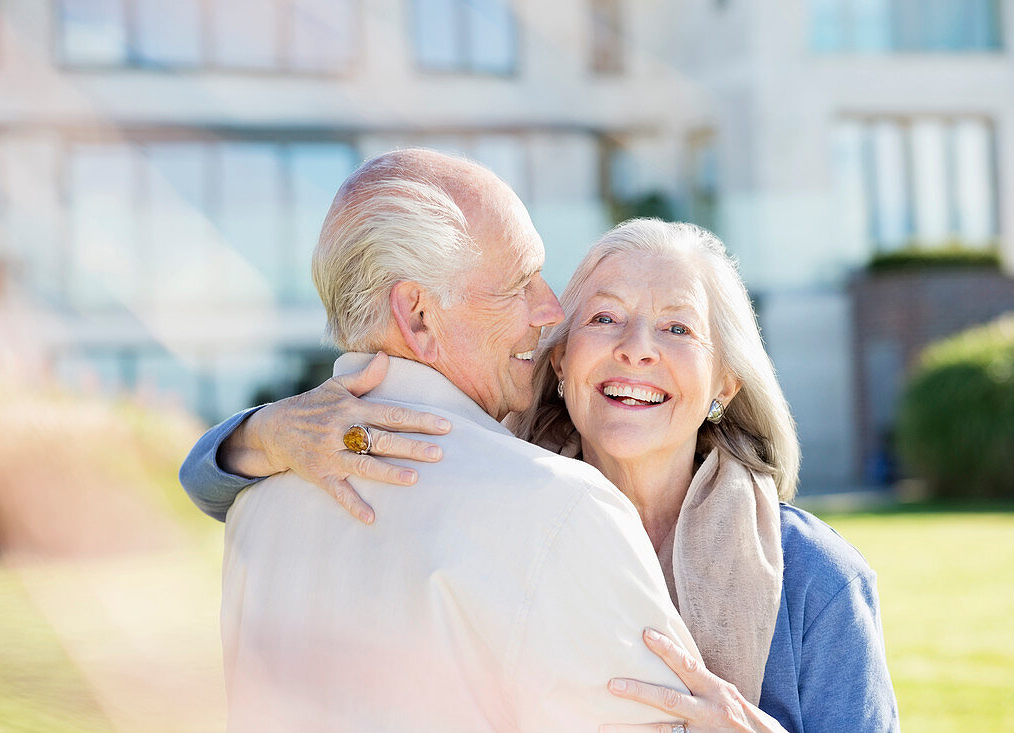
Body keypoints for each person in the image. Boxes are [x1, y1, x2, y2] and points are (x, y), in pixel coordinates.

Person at [186, 215, 900, 731]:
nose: (637, 350)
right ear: (557, 361)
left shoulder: (816, 580)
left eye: (678, 328)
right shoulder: (491, 506)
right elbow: (209, 482)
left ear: (724, 384)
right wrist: (261, 431)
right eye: (605, 319)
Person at [210, 148, 717, 732]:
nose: (550, 312)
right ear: (419, 316)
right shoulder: (562, 506)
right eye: (519, 284)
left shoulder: (254, 504)